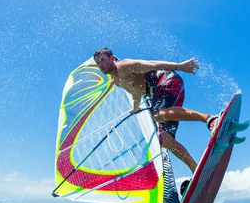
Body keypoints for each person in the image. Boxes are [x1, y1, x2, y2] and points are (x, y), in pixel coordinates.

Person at [93, 47, 218, 175]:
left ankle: (210, 119)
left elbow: (152, 64)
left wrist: (179, 66)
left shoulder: (124, 66)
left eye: (102, 60)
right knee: (165, 140)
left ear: (112, 58)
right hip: (165, 91)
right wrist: (135, 108)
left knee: (157, 115)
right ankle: (195, 169)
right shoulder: (117, 81)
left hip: (167, 79)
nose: (100, 65)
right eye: (98, 63)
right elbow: (135, 92)